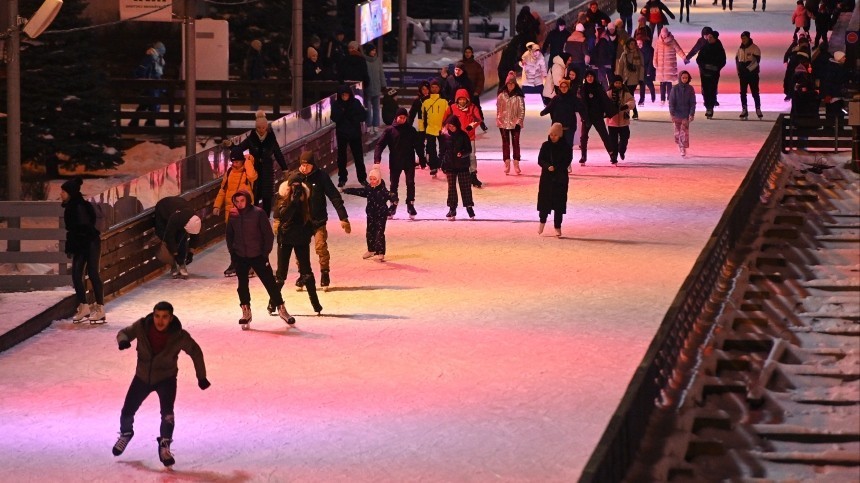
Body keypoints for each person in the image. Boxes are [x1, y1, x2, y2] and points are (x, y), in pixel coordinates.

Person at [112, 301, 209, 467]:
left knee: (167, 414)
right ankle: (126, 433)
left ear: (170, 318)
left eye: (164, 317)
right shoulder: (142, 327)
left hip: (166, 379)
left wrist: (201, 377)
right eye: (157, 316)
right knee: (127, 410)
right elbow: (124, 332)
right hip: (142, 377)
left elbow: (195, 351)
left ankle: (164, 445)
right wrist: (123, 341)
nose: (160, 320)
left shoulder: (179, 335)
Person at [226, 189, 295, 329]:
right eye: (237, 201)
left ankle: (281, 308)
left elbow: (268, 235)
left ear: (247, 200)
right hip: (240, 256)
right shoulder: (233, 214)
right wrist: (233, 254)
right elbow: (229, 236)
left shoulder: (258, 213)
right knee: (242, 285)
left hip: (258, 255)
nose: (239, 204)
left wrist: (264, 254)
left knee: (270, 283)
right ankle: (246, 311)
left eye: (242, 201)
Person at [289, 151, 350, 292]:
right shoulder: (295, 177)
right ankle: (303, 275)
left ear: (313, 165)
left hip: (318, 220)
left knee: (320, 247)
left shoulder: (321, 176)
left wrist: (343, 217)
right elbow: (284, 199)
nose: (304, 168)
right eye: (302, 165)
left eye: (307, 165)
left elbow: (334, 196)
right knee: (300, 251)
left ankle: (325, 273)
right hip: (300, 222)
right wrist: (280, 220)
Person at [273, 180, 323, 315]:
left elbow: (316, 215)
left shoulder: (306, 201)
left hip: (301, 239)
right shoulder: (283, 199)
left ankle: (316, 305)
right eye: (293, 188)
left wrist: (311, 230)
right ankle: (273, 303)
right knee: (281, 275)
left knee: (306, 272)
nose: (295, 191)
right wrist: (294, 202)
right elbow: (282, 214)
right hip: (286, 239)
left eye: (297, 188)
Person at [61, 177, 105, 324]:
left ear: (70, 193)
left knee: (92, 273)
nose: (61, 194)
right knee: (76, 275)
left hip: (90, 243)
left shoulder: (78, 206)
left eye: (63, 191)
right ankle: (84, 306)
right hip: (82, 244)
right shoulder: (72, 206)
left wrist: (75, 245)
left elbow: (84, 227)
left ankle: (100, 309)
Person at [374, 107, 426, 219]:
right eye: (400, 117)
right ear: (396, 117)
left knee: (410, 183)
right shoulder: (390, 131)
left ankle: (410, 204)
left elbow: (418, 145)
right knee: (394, 184)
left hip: (409, 161)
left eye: (404, 118)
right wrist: (377, 159)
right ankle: (393, 204)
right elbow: (380, 145)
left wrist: (422, 159)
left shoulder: (411, 130)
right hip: (395, 161)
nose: (402, 119)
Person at [213, 146, 258, 277]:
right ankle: (234, 264)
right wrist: (217, 206)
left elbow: (253, 176)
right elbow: (222, 190)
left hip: (245, 214)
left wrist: (248, 160)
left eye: (237, 161)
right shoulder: (229, 172)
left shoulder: (247, 172)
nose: (235, 164)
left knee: (246, 241)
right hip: (230, 213)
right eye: (233, 161)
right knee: (231, 241)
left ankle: (249, 265)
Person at [237, 111, 288, 215]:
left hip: (267, 172)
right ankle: (254, 218)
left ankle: (266, 218)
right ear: (256, 127)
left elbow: (278, 154)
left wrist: (285, 169)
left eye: (263, 127)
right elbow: (239, 148)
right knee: (254, 195)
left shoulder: (271, 139)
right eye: (259, 128)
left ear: (266, 127)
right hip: (254, 172)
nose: (261, 130)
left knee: (267, 196)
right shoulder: (251, 138)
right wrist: (230, 145)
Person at [343, 167, 392, 261]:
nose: (372, 181)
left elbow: (391, 196)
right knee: (369, 232)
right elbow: (359, 191)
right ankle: (371, 250)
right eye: (371, 179)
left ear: (379, 179)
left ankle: (380, 252)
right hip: (370, 214)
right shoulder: (369, 189)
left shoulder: (382, 190)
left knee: (379, 233)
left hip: (381, 215)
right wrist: (348, 190)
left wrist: (393, 203)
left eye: (374, 179)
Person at [537, 123, 572, 237]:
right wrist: (547, 166)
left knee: (559, 203)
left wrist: (556, 168)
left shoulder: (566, 147)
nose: (553, 137)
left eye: (555, 135)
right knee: (544, 201)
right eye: (551, 134)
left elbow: (567, 161)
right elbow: (540, 160)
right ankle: (542, 223)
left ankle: (557, 226)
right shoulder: (545, 145)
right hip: (546, 179)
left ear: (560, 135)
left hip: (560, 178)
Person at [443, 88, 484, 188]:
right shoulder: (452, 108)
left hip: (469, 136)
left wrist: (471, 126)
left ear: (467, 99)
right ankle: (454, 173)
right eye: (460, 99)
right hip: (456, 137)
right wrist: (445, 129)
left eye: (464, 99)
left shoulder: (473, 107)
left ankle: (473, 174)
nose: (462, 101)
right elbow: (445, 120)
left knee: (471, 156)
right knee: (455, 155)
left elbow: (478, 119)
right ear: (457, 100)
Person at [154, 196, 202, 279]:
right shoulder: (176, 218)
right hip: (163, 210)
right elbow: (170, 237)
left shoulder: (194, 220)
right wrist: (176, 255)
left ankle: (181, 264)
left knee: (181, 237)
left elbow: (195, 236)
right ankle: (174, 265)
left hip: (178, 206)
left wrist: (191, 253)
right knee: (166, 238)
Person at [331, 85, 369, 188]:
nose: (345, 97)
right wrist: (342, 114)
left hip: (354, 134)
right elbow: (333, 117)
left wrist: (354, 119)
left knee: (358, 157)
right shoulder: (337, 104)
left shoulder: (355, 103)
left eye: (346, 95)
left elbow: (364, 115)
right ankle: (342, 178)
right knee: (341, 158)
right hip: (342, 134)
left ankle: (362, 178)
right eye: (343, 95)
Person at [439, 116, 475, 220]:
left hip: (462, 165)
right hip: (450, 165)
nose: (451, 128)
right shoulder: (445, 136)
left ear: (457, 125)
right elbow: (442, 151)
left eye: (453, 126)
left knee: (465, 187)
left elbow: (469, 149)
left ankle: (469, 207)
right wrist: (441, 163)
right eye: (449, 126)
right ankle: (452, 208)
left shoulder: (463, 135)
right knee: (451, 188)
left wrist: (462, 154)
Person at [578, 70, 614, 166]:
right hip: (586, 117)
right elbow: (580, 104)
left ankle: (612, 154)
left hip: (597, 116)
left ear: (594, 77)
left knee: (604, 136)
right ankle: (583, 156)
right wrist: (583, 116)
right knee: (583, 137)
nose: (590, 78)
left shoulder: (598, 88)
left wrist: (608, 111)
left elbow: (604, 101)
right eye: (588, 76)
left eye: (591, 76)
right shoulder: (582, 88)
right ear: (585, 78)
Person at [540, 77, 580, 160]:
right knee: (557, 145)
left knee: (568, 145)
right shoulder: (556, 99)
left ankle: (568, 162)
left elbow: (581, 108)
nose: (564, 89)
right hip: (558, 127)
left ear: (568, 88)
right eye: (562, 87)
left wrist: (586, 118)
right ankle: (557, 161)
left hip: (569, 126)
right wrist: (543, 112)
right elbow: (549, 107)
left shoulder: (572, 98)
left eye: (565, 87)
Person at [128, 42, 166, 127]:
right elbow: (145, 70)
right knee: (152, 104)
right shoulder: (151, 58)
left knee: (145, 104)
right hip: (151, 85)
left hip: (153, 85)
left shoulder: (158, 60)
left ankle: (137, 122)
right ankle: (149, 123)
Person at [496, 71, 526, 175]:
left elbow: (522, 110)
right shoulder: (501, 96)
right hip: (503, 123)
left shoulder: (518, 96)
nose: (511, 85)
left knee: (515, 142)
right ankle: (506, 162)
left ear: (515, 84)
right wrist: (499, 119)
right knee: (505, 143)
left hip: (515, 123)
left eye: (512, 83)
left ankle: (516, 162)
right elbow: (498, 109)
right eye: (509, 83)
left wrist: (519, 121)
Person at [421, 79, 450, 178]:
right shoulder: (425, 102)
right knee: (431, 149)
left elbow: (448, 115)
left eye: (436, 87)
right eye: (432, 87)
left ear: (440, 88)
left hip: (441, 129)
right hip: (430, 129)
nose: (434, 89)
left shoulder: (444, 102)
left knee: (444, 148)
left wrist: (446, 127)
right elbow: (422, 117)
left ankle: (441, 164)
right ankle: (433, 167)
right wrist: (422, 130)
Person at [696, 30, 726, 119]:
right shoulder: (704, 47)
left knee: (712, 90)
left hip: (714, 74)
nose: (708, 39)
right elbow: (698, 59)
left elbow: (723, 61)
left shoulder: (719, 48)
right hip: (704, 73)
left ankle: (711, 107)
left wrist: (716, 68)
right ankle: (707, 107)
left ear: (715, 38)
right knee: (705, 90)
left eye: (710, 37)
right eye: (708, 37)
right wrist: (704, 66)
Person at [606, 75, 636, 164]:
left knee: (625, 138)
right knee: (613, 141)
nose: (618, 84)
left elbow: (632, 102)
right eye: (616, 83)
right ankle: (614, 156)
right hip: (612, 122)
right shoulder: (609, 93)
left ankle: (622, 150)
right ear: (613, 83)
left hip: (623, 121)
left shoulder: (626, 93)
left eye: (619, 83)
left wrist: (626, 106)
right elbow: (604, 103)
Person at [654, 28, 686, 106]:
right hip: (661, 66)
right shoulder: (658, 42)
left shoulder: (672, 41)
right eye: (662, 34)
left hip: (669, 66)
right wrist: (655, 62)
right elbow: (656, 53)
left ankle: (669, 98)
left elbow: (679, 50)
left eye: (665, 34)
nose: (664, 36)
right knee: (662, 84)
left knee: (669, 83)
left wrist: (684, 57)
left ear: (667, 34)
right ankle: (662, 99)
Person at [668, 70, 696, 157]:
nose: (684, 79)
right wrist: (672, 114)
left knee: (684, 132)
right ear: (680, 78)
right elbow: (671, 102)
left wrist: (691, 114)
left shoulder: (690, 89)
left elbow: (693, 102)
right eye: (683, 78)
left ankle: (682, 147)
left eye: (686, 78)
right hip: (677, 114)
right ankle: (680, 144)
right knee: (677, 132)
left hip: (686, 115)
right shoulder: (675, 89)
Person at [736, 31, 763, 120]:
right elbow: (737, 61)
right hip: (743, 75)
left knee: (755, 92)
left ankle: (758, 108)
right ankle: (744, 109)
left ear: (748, 38)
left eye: (744, 38)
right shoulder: (740, 49)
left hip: (752, 75)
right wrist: (739, 71)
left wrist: (748, 70)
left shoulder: (755, 48)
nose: (743, 40)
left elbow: (756, 62)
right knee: (743, 92)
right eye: (742, 38)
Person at [615, 38, 644, 120]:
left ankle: (630, 113)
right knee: (629, 96)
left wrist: (641, 78)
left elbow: (641, 67)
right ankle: (633, 113)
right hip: (625, 79)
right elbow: (620, 67)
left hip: (634, 79)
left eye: (634, 44)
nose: (632, 45)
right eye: (631, 44)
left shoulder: (638, 53)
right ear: (628, 45)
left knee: (629, 96)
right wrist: (618, 78)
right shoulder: (624, 54)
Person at [461, 47, 489, 131]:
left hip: (473, 92)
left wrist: (477, 91)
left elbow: (480, 79)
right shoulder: (461, 64)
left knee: (477, 108)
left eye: (469, 52)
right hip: (463, 92)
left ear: (472, 53)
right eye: (466, 52)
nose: (467, 54)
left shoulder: (476, 65)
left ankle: (481, 122)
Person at [363, 43, 386, 133]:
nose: (374, 52)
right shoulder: (364, 61)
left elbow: (381, 73)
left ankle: (376, 124)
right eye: (372, 50)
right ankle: (368, 124)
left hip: (377, 87)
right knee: (368, 108)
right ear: (368, 51)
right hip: (368, 88)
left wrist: (383, 85)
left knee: (376, 108)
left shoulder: (377, 60)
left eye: (375, 50)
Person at [407, 81, 431, 167]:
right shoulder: (417, 100)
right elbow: (412, 114)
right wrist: (408, 125)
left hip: (432, 124)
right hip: (421, 125)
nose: (425, 91)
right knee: (420, 143)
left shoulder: (433, 99)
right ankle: (421, 158)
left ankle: (429, 159)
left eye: (427, 89)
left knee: (430, 143)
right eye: (423, 89)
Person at [820, 51, 846, 125]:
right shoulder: (833, 69)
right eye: (843, 57)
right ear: (839, 58)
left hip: (837, 95)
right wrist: (828, 94)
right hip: (834, 96)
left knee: (838, 112)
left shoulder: (836, 67)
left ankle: (835, 128)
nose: (845, 58)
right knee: (836, 112)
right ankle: (835, 128)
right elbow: (828, 82)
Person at [245, 40, 267, 111]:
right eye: (259, 45)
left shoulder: (254, 55)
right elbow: (256, 67)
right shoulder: (255, 55)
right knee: (255, 96)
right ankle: (253, 111)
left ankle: (253, 110)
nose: (260, 47)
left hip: (255, 78)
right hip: (255, 78)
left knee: (255, 96)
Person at [637, 38, 656, 106]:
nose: (638, 45)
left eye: (640, 43)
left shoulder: (649, 50)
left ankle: (653, 95)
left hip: (648, 69)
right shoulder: (637, 50)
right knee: (642, 84)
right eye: (637, 44)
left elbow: (651, 61)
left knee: (649, 83)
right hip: (641, 70)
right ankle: (642, 99)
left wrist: (649, 72)